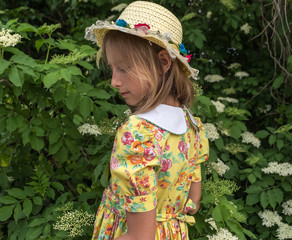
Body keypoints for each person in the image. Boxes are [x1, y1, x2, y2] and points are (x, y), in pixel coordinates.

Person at [85, 1, 209, 239]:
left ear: (164, 63)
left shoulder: (138, 134)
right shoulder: (191, 124)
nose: (114, 81)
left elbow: (139, 237)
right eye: (112, 69)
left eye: (124, 69)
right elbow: (194, 200)